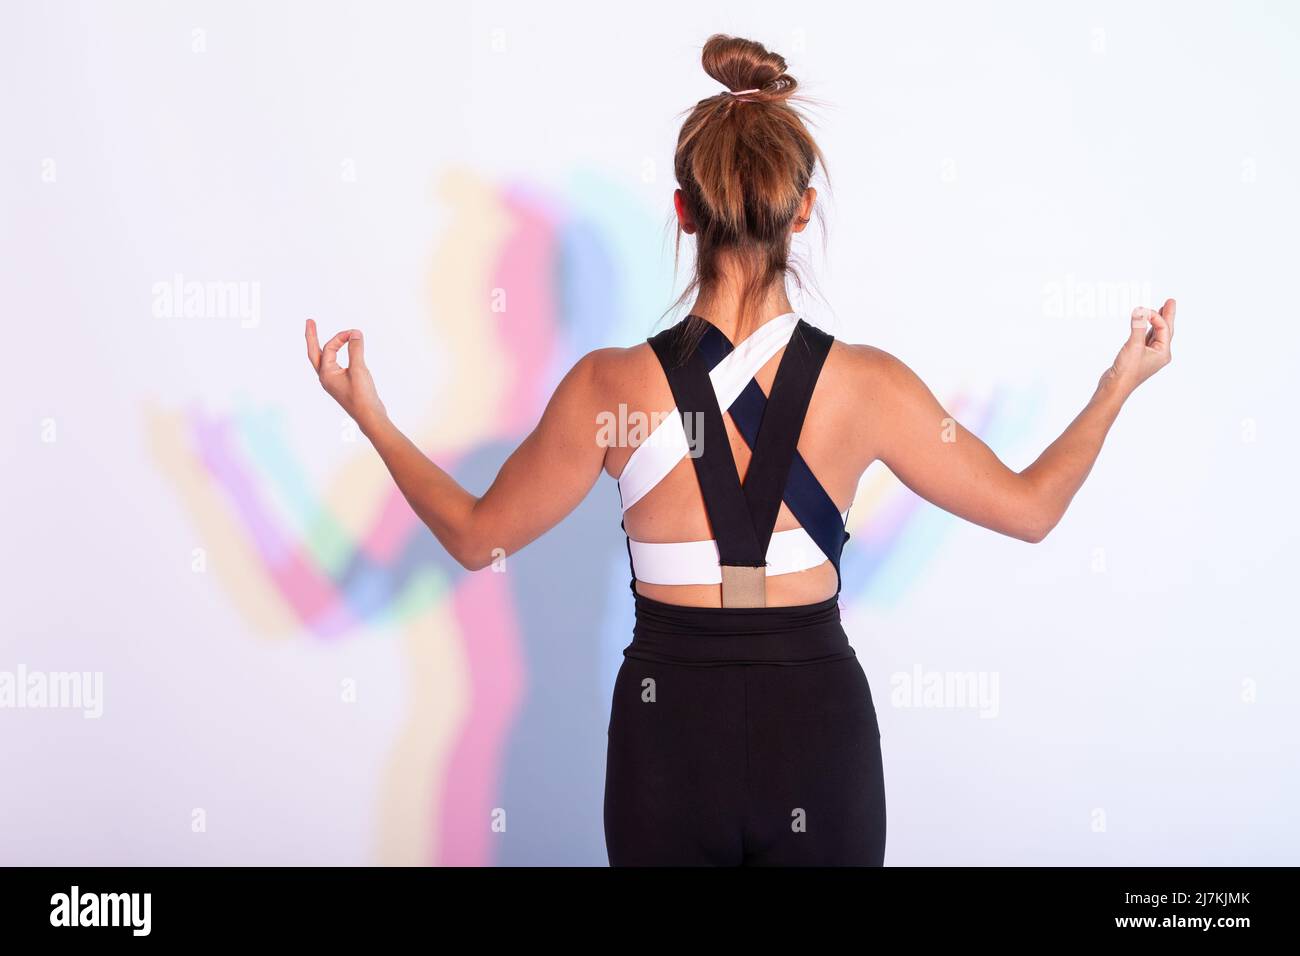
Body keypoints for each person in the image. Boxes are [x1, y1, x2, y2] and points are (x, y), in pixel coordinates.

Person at [304, 34, 1175, 866]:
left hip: (665, 741)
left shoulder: (610, 388)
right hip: (818, 738)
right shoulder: (869, 388)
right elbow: (1030, 510)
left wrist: (369, 414)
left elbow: (473, 536)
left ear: (684, 213)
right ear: (802, 211)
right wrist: (1118, 382)